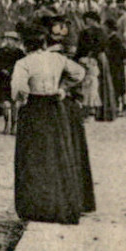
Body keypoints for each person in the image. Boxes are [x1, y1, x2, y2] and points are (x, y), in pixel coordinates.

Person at [11, 15, 96, 224]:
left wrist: (21, 99)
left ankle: (38, 205)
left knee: (34, 157)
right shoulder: (57, 59)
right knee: (57, 154)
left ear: (25, 44)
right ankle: (60, 202)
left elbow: (18, 89)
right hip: (55, 108)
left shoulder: (23, 63)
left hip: (34, 108)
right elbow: (80, 72)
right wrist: (62, 88)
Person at [0, 31, 27, 135]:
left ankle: (14, 125)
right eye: (7, 39)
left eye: (12, 40)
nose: (9, 42)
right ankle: (6, 124)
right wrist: (0, 69)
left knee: (15, 104)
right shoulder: (0, 51)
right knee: (5, 104)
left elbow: (24, 65)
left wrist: (13, 71)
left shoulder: (20, 53)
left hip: (15, 80)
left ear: (16, 42)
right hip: (2, 81)